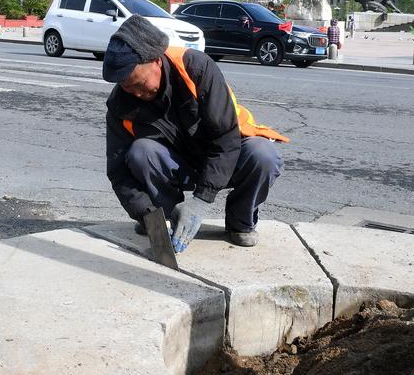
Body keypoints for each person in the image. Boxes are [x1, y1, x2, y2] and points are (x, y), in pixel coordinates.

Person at [103, 15, 287, 249]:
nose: (136, 93)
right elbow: (119, 173)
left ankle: (240, 222)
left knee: (264, 155)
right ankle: (169, 218)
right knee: (141, 152)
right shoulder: (121, 104)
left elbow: (226, 138)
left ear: (157, 61)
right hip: (177, 164)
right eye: (127, 87)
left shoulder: (195, 68)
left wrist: (201, 201)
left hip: (226, 158)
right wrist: (148, 215)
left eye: (140, 84)